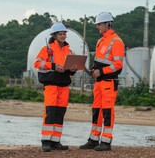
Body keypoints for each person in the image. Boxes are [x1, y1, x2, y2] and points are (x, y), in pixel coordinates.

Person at [79, 12, 125, 151]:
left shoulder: (116, 41)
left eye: (99, 24)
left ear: (107, 24)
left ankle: (106, 142)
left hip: (109, 82)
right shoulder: (100, 41)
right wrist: (93, 69)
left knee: (107, 111)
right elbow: (99, 62)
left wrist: (102, 72)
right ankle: (93, 140)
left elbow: (118, 64)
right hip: (99, 83)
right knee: (96, 111)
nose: (97, 27)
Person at [34, 23, 77, 152]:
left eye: (64, 34)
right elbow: (38, 63)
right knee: (50, 113)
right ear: (54, 35)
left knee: (60, 113)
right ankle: (46, 142)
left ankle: (56, 141)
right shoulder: (47, 49)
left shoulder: (69, 50)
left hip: (63, 85)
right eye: (60, 34)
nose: (63, 36)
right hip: (51, 85)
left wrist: (73, 70)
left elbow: (69, 71)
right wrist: (53, 66)